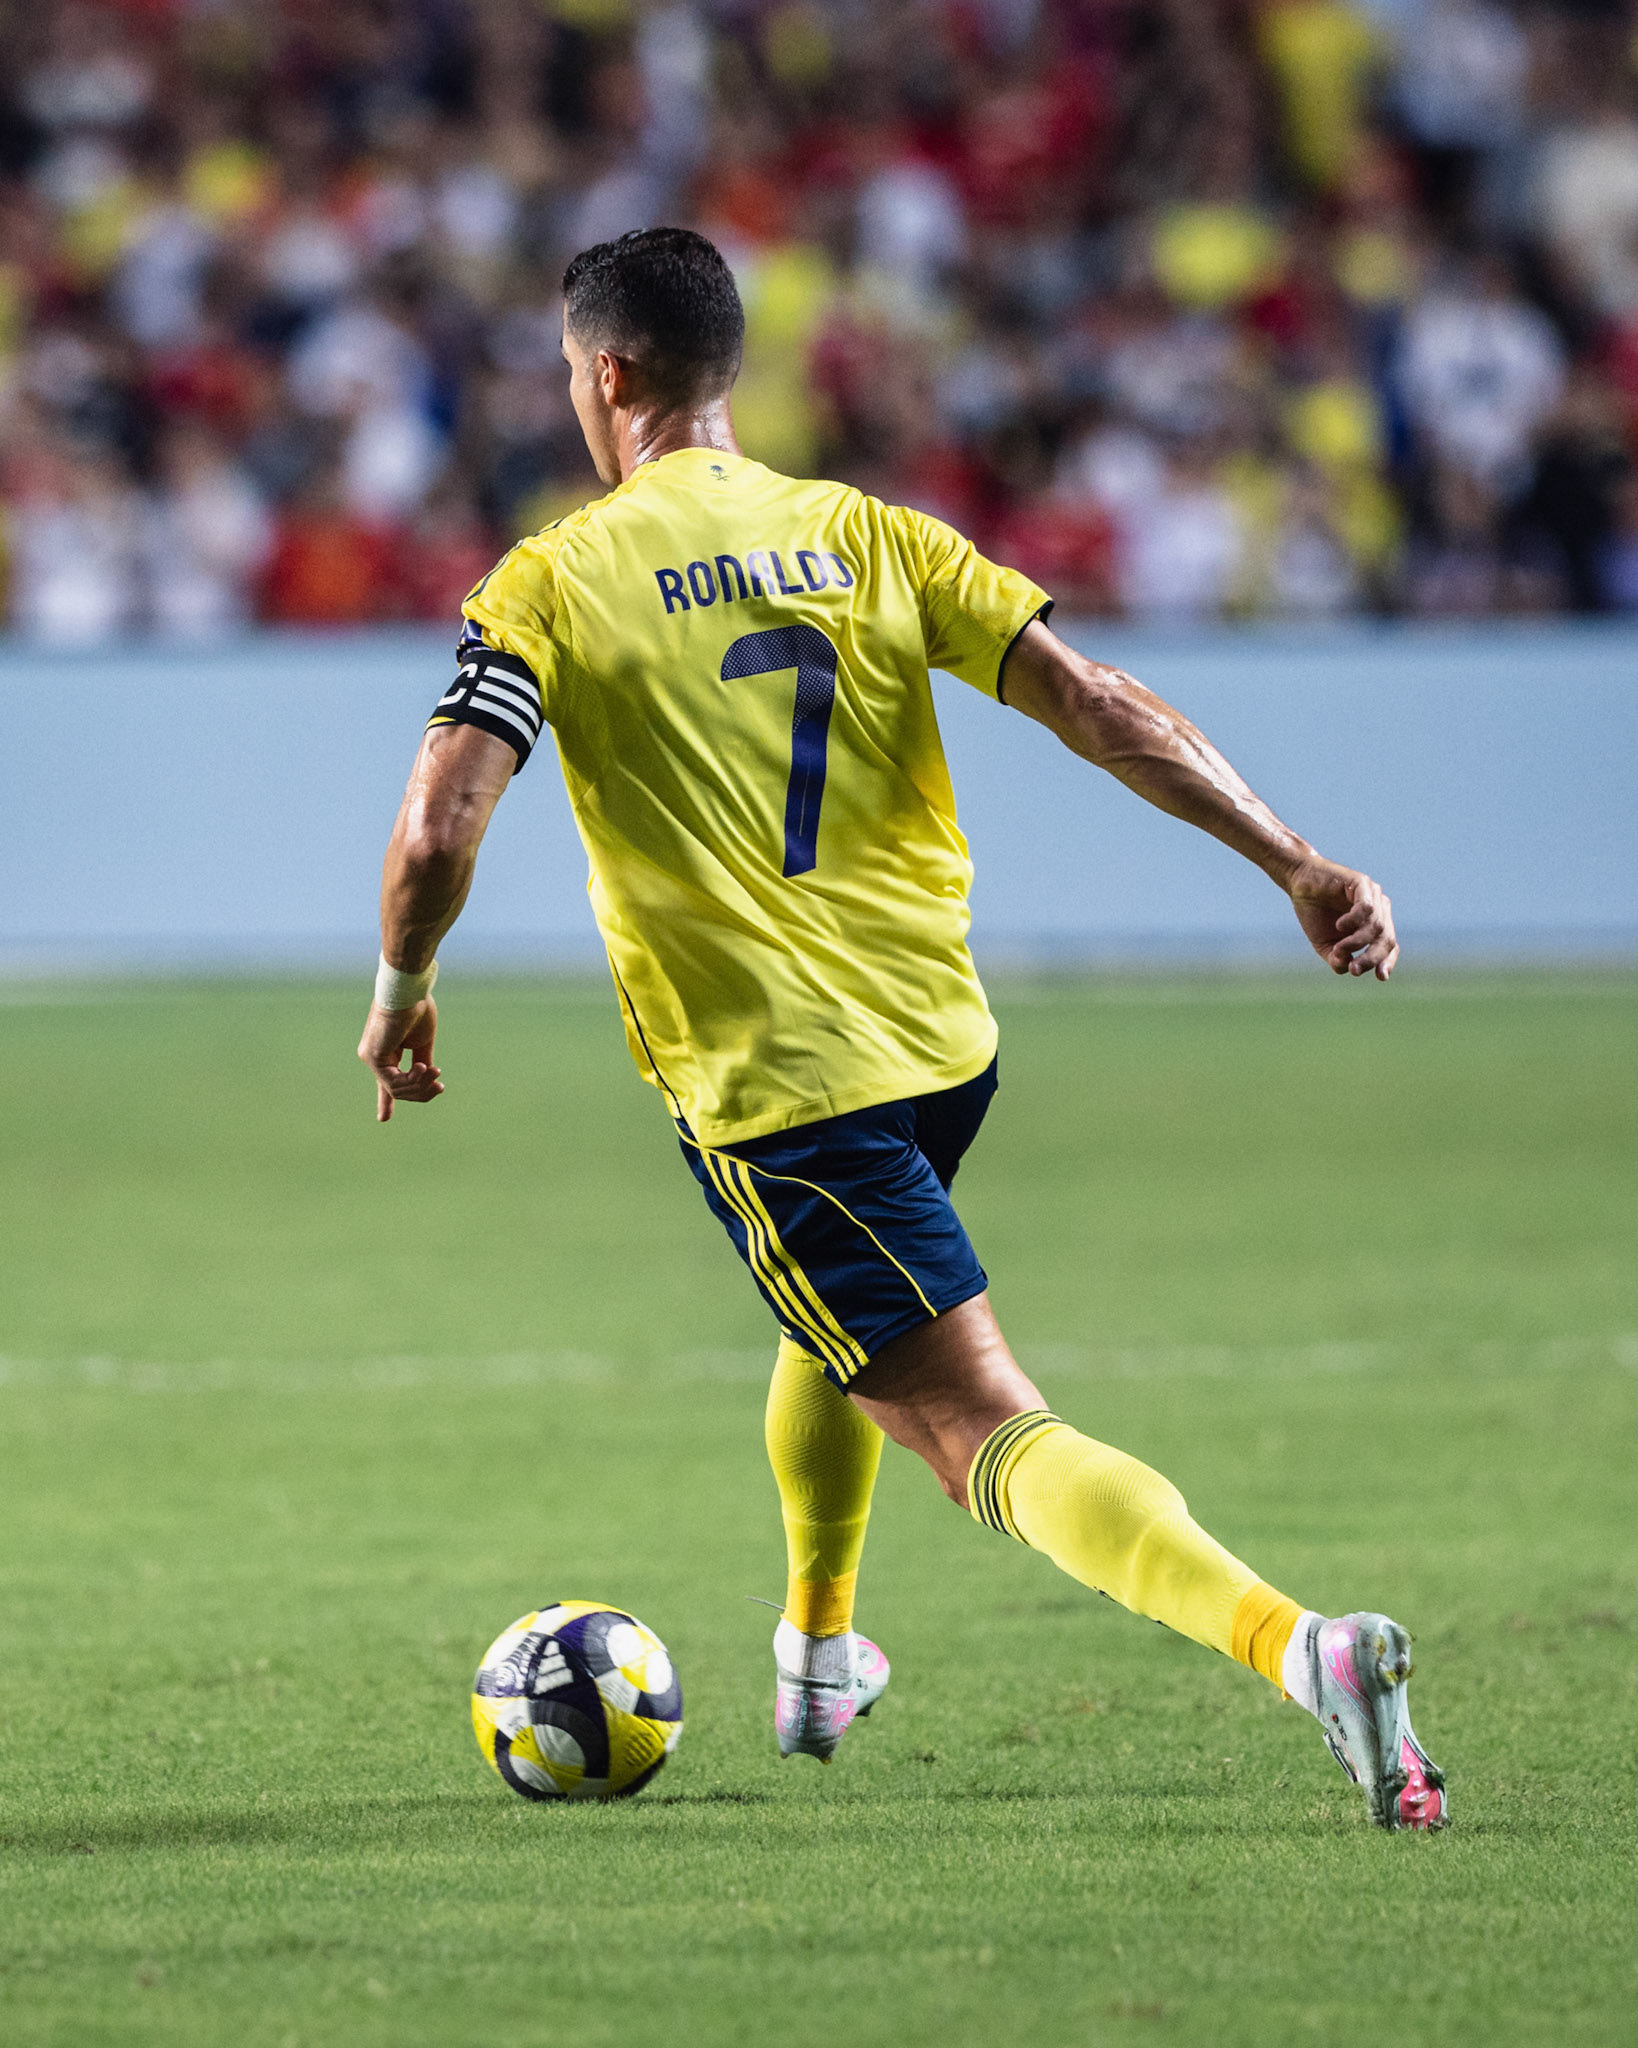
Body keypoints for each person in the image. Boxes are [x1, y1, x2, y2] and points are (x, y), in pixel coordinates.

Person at [357, 228, 1447, 1832]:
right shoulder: (866, 533)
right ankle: (816, 1650)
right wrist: (1293, 860)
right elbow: (1099, 703)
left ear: (606, 373)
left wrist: (402, 987)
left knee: (971, 1421)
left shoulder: (553, 580)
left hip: (781, 1085)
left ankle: (1301, 1649)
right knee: (834, 1327)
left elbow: (439, 828)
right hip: (940, 1046)